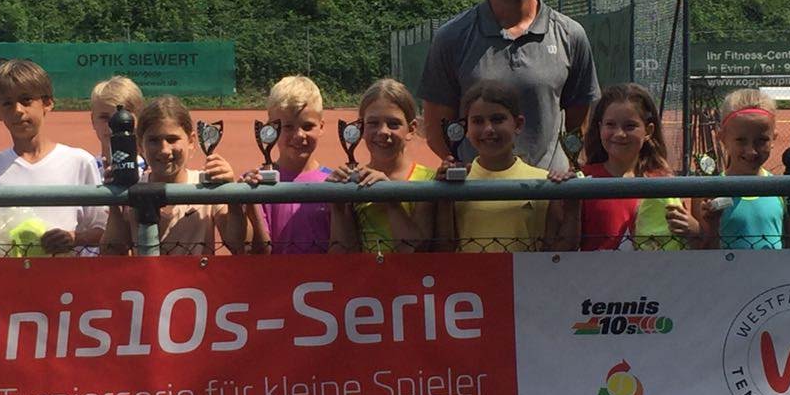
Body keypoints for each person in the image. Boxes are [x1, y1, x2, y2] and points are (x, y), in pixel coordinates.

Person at [419, 0, 600, 172]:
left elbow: (579, 127)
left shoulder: (571, 36)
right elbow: (437, 130)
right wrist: (477, 175)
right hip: (479, 193)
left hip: (547, 192)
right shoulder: (452, 37)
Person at [0, 59, 106, 256]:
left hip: (66, 273)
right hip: (11, 273)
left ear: (47, 103)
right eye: (7, 103)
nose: (18, 110)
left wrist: (74, 238)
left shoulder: (80, 161)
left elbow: (102, 230)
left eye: (26, 100)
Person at [557, 83, 699, 251]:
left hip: (654, 268)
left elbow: (690, 246)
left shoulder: (664, 182)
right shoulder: (583, 180)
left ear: (648, 131)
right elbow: (563, 250)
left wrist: (695, 230)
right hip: (596, 269)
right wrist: (571, 204)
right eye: (610, 124)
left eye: (630, 126)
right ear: (600, 128)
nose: (619, 134)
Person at [436, 79, 568, 252]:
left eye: (497, 119)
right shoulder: (454, 183)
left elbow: (556, 249)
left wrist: (570, 194)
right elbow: (443, 246)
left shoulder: (543, 182)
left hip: (525, 270)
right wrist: (443, 196)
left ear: (518, 124)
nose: (488, 129)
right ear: (466, 128)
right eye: (478, 121)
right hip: (469, 270)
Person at [100, 96, 243, 255]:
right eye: (154, 140)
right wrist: (114, 202)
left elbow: (239, 244)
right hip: (148, 272)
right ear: (140, 144)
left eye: (172, 139)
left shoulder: (206, 187)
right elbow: (111, 253)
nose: (164, 150)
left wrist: (232, 194)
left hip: (197, 271)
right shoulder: (134, 190)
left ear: (191, 141)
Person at [328, 78, 436, 253]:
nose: (383, 131)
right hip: (367, 272)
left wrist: (389, 198)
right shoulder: (355, 182)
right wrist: (338, 207)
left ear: (411, 129)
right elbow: (343, 253)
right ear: (361, 128)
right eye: (373, 123)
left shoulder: (427, 182)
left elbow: (413, 250)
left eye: (393, 124)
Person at [696, 89, 790, 250]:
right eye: (741, 140)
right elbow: (704, 256)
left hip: (774, 267)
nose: (751, 151)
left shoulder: (782, 191)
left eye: (761, 140)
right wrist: (712, 226)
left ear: (773, 139)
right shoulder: (709, 193)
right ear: (722, 138)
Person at [241, 75, 332, 254]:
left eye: (307, 126)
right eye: (288, 127)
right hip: (274, 273)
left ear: (321, 127)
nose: (299, 135)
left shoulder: (334, 183)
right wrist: (249, 203)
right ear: (270, 129)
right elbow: (255, 253)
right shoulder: (256, 183)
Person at [88, 75, 145, 173]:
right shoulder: (86, 171)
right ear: (93, 121)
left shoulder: (153, 172)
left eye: (124, 117)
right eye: (104, 117)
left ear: (139, 118)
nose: (114, 125)